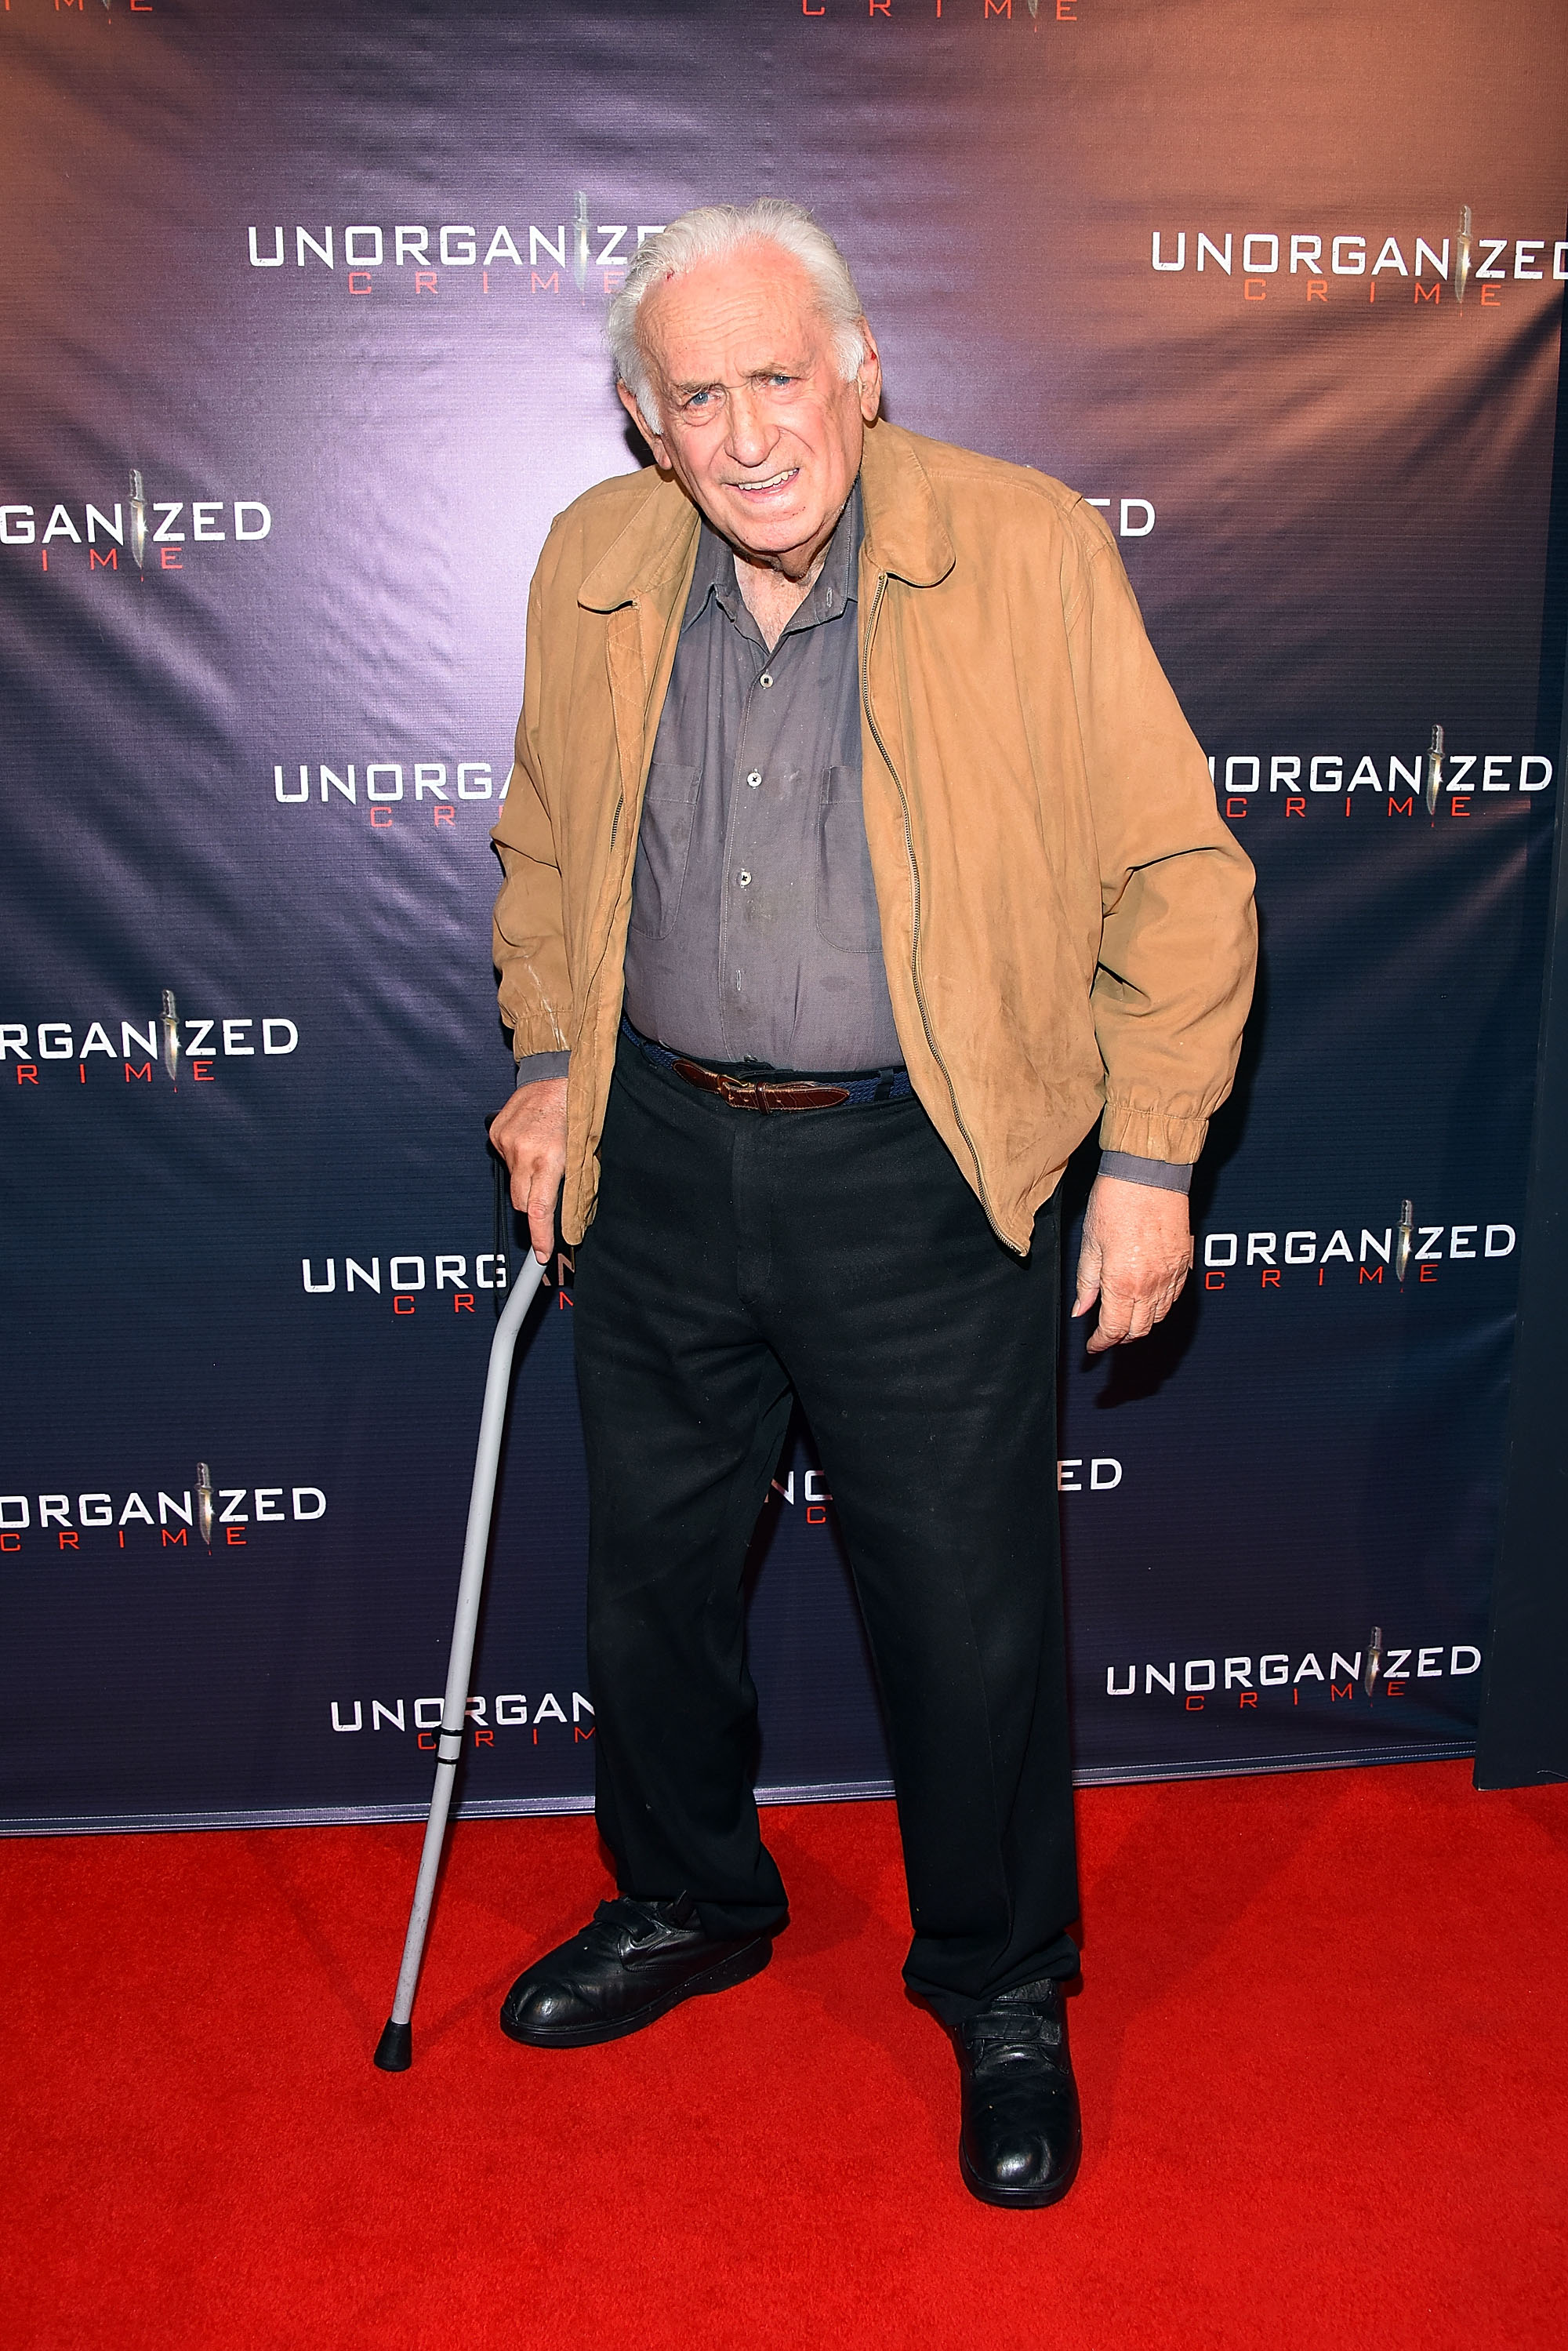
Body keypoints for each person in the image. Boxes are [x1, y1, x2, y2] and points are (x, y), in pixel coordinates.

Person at [486, 200, 1255, 2209]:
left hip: (920, 1172)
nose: (746, 434)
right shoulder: (592, 562)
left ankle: (1001, 1980)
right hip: (655, 1155)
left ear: (860, 374)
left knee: (965, 1614)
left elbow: (1181, 876)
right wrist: (552, 1059)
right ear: (645, 424)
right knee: (648, 1586)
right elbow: (551, 847)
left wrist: (1153, 1158)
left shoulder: (1019, 548)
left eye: (778, 377)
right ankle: (686, 1900)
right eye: (695, 396)